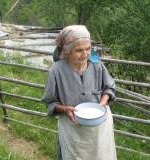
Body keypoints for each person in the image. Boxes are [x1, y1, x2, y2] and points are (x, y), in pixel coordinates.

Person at [42, 25, 117, 160]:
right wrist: (65, 109)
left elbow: (109, 87)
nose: (85, 54)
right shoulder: (56, 71)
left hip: (99, 129)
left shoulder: (97, 65)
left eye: (88, 49)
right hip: (72, 128)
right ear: (67, 51)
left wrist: (103, 102)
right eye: (79, 50)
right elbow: (50, 101)